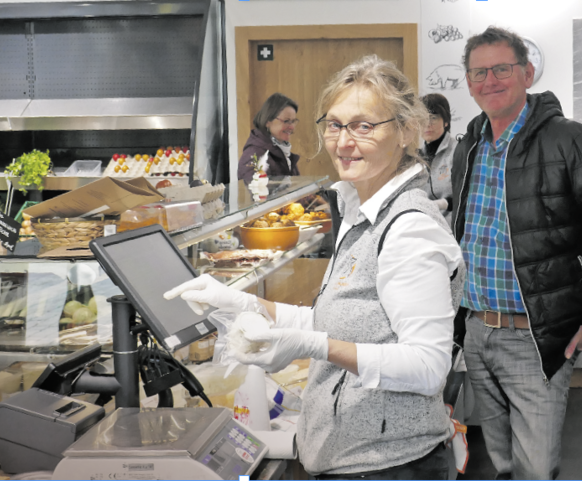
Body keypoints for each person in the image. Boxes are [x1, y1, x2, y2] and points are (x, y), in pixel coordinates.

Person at [167, 55, 465, 479]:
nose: (344, 141)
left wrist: (315, 347)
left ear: (404, 131)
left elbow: (427, 365)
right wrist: (240, 304)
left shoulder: (408, 228)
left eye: (364, 126)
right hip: (352, 458)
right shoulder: (359, 208)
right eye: (334, 124)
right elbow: (338, 319)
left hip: (390, 466)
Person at [452, 26, 582, 479]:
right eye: (478, 72)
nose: (489, 81)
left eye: (501, 69)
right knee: (499, 462)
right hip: (476, 329)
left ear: (527, 73)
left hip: (535, 337)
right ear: (468, 82)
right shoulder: (468, 146)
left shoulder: (571, 141)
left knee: (534, 470)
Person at [237, 93, 301, 183]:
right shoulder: (254, 155)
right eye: (286, 121)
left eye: (293, 121)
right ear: (267, 121)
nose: (291, 127)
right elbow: (257, 194)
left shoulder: (282, 152)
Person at [420, 93, 456, 225]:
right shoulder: (415, 157)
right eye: (422, 119)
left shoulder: (458, 151)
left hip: (452, 230)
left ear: (446, 121)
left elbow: (468, 197)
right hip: (424, 228)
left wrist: (443, 204)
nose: (427, 124)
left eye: (433, 118)